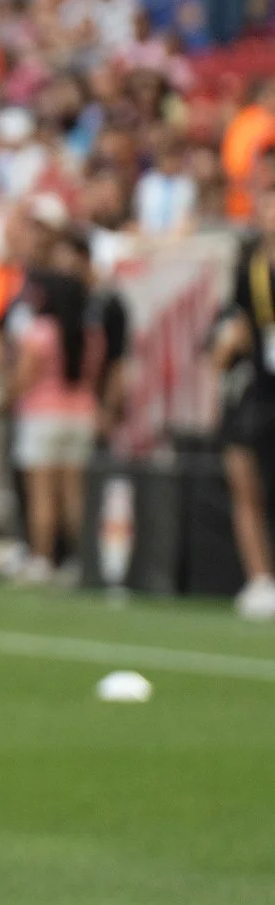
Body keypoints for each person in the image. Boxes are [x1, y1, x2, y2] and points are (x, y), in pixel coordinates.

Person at [6, 235, 100, 586]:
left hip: (43, 414)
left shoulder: (41, 331)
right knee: (74, 493)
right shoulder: (88, 332)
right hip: (80, 413)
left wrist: (4, 395)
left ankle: (42, 558)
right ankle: (78, 559)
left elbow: (25, 376)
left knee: (42, 493)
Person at [214, 191, 275, 619]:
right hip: (258, 390)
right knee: (245, 482)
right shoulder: (248, 267)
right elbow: (230, 329)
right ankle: (259, 578)